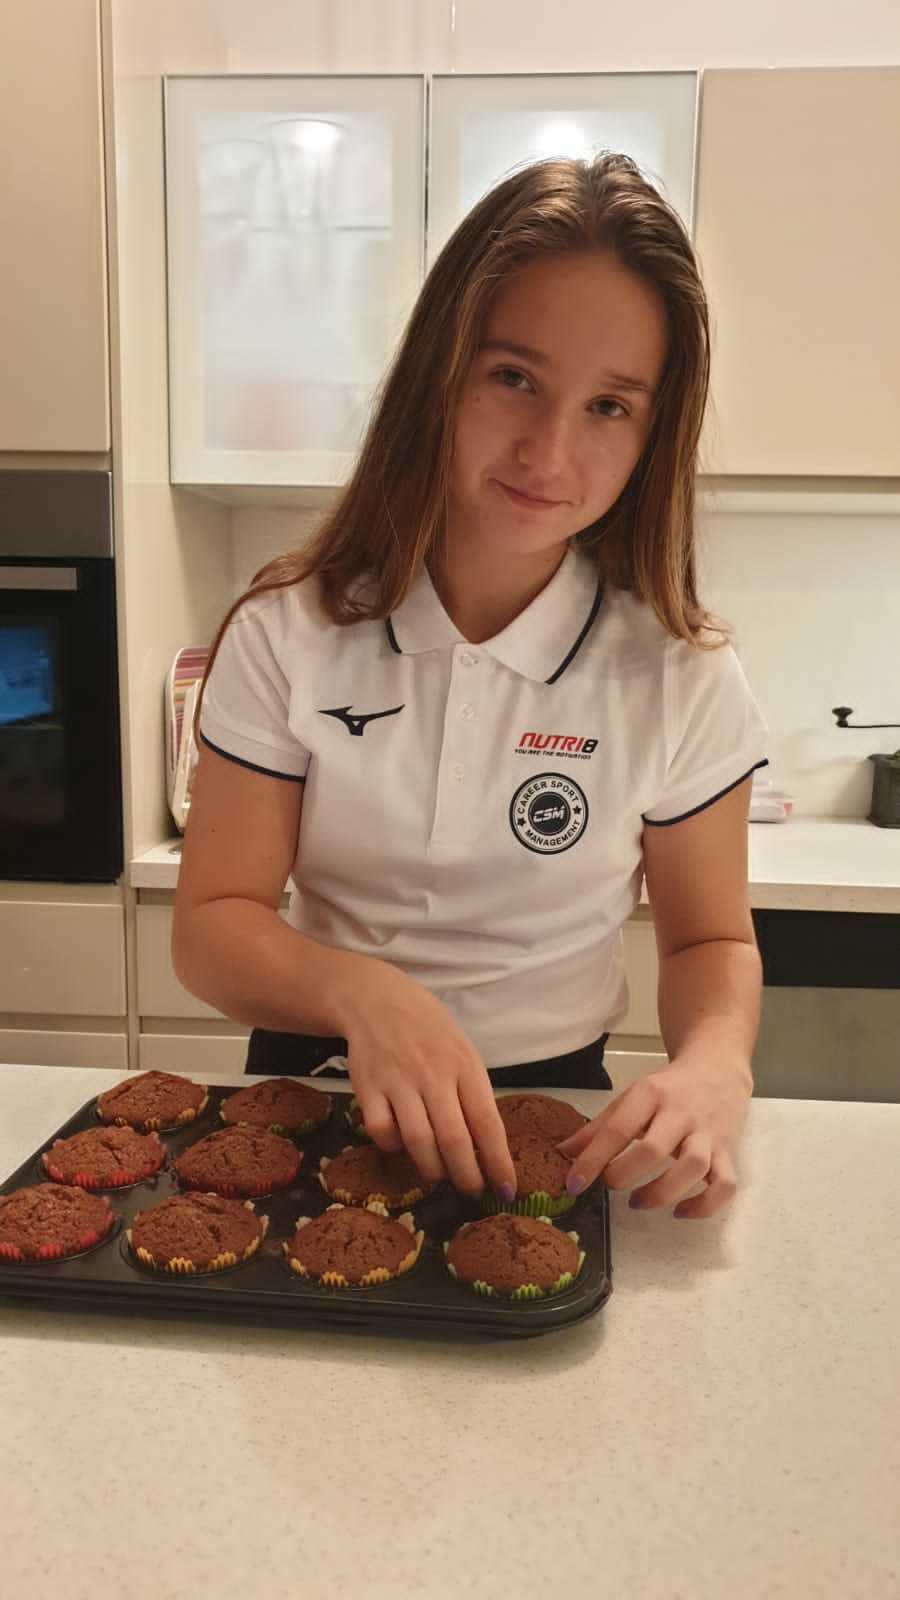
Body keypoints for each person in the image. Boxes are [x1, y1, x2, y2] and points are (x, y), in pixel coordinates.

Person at [172, 152, 769, 1222]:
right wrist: (364, 994)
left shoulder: (679, 669)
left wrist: (717, 1064)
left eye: (609, 405)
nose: (549, 449)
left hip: (552, 1104)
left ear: (653, 435)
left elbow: (709, 940)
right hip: (315, 1087)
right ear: (438, 374)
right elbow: (212, 923)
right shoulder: (288, 630)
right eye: (513, 378)